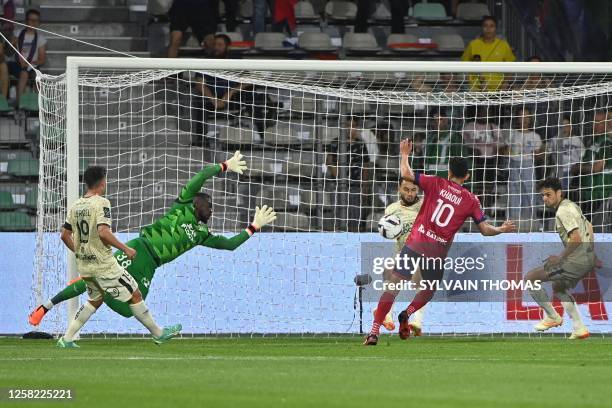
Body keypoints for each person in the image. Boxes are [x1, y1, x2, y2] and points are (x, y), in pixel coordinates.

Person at [29, 152, 278, 327]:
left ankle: (100, 288)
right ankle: (46, 307)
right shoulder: (183, 203)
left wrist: (254, 226)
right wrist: (224, 166)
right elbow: (202, 175)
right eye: (209, 204)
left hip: (152, 265)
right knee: (93, 279)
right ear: (197, 201)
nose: (212, 209)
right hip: (139, 248)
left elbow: (230, 245)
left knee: (129, 311)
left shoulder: (203, 235)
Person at [364, 139, 516, 345]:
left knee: (393, 286)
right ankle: (407, 313)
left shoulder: (435, 182)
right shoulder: (471, 200)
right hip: (436, 251)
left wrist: (405, 154)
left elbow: (407, 174)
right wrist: (502, 229)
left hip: (416, 242)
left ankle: (373, 333)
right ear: (467, 176)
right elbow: (485, 230)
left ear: (450, 173)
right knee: (428, 290)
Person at [54, 166, 182, 348]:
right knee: (135, 293)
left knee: (95, 300)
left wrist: (80, 252)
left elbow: (64, 235)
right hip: (104, 266)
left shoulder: (75, 206)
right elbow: (103, 232)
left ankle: (66, 339)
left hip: (85, 266)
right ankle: (158, 333)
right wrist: (125, 249)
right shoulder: (101, 203)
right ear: (102, 182)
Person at [523, 177, 597, 340]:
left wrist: (559, 257)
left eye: (548, 194)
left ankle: (552, 317)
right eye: (542, 195)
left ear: (559, 193)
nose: (545, 199)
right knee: (559, 287)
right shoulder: (571, 205)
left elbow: (576, 238)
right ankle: (579, 328)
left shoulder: (563, 211)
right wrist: (592, 253)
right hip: (585, 259)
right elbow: (589, 226)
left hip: (576, 261)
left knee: (530, 279)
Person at [373, 178, 425, 335]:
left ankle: (417, 321)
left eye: (413, 190)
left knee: (421, 281)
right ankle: (386, 315)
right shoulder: (391, 209)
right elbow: (389, 230)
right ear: (399, 189)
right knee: (389, 276)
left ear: (418, 190)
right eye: (406, 189)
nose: (410, 193)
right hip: (402, 251)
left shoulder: (424, 206)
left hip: (424, 251)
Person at [326, 117, 371, 232]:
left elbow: (365, 166)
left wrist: (364, 187)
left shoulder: (361, 145)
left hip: (355, 186)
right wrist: (336, 172)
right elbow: (329, 160)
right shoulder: (336, 142)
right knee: (338, 216)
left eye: (353, 125)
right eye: (347, 125)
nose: (350, 128)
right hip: (337, 186)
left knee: (354, 218)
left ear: (356, 127)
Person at [506, 107, 544, 228]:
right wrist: (510, 152)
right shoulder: (512, 134)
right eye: (522, 116)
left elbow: (539, 156)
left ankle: (531, 223)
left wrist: (537, 153)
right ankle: (513, 222)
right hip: (514, 165)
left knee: (529, 193)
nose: (524, 119)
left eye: (527, 116)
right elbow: (504, 150)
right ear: (517, 118)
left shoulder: (535, 136)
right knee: (514, 193)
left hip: (528, 166)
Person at [574, 110, 612, 229]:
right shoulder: (594, 141)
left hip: (601, 195)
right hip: (588, 195)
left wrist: (577, 168)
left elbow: (597, 168)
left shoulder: (606, 142)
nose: (594, 125)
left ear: (608, 123)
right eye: (593, 122)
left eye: (598, 122)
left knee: (594, 231)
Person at [461, 16, 516, 91]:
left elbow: (511, 67)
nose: (488, 29)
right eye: (485, 26)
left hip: (499, 90)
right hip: (477, 90)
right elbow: (464, 65)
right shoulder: (473, 44)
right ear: (482, 28)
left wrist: (505, 83)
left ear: (496, 28)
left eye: (491, 26)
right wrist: (472, 83)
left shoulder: (503, 45)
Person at [8, 9, 46, 103]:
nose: (33, 23)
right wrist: (12, 44)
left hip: (31, 66)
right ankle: (15, 103)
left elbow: (41, 60)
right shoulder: (17, 33)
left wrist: (29, 64)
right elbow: (8, 53)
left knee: (31, 76)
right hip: (16, 64)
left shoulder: (41, 38)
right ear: (26, 21)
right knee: (18, 71)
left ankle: (33, 106)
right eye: (31, 20)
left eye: (36, 20)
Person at [547, 117, 583, 192]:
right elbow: (546, 153)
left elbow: (583, 156)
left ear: (570, 127)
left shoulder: (577, 140)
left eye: (567, 126)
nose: (564, 128)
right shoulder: (554, 140)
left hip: (572, 171)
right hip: (557, 171)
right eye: (562, 126)